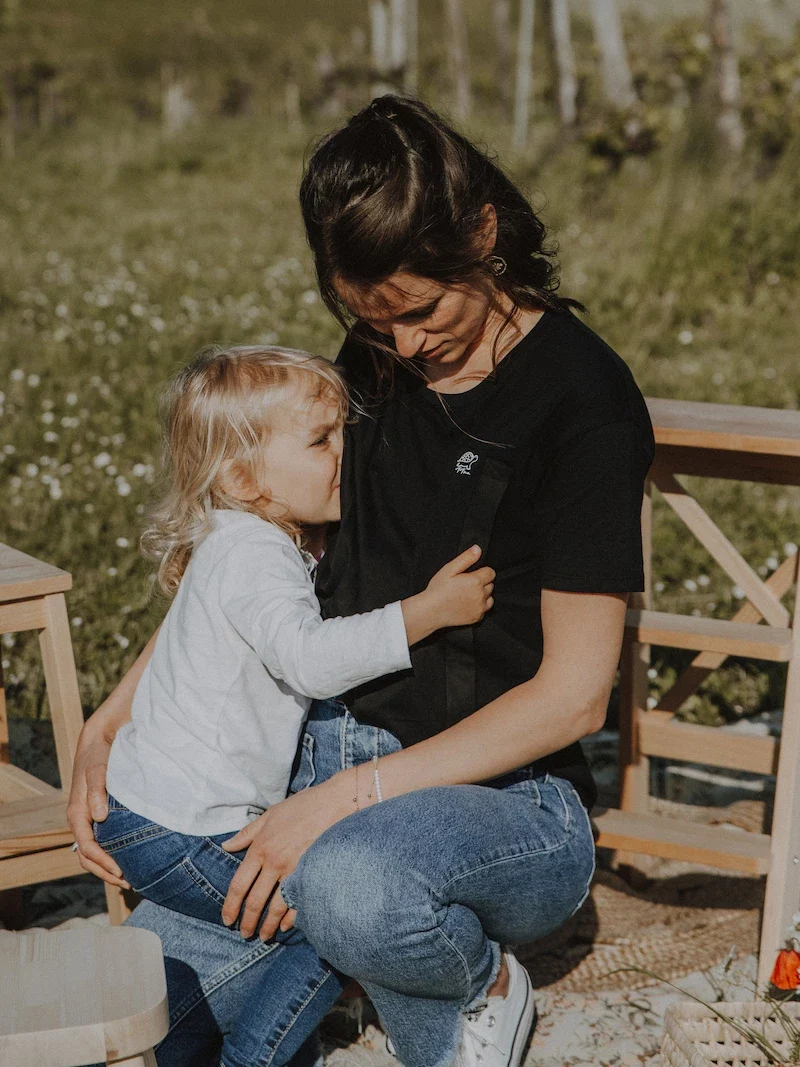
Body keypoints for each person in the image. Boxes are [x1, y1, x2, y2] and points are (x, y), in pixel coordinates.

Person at [68, 95, 655, 1067]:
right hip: (316, 758)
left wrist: (336, 803)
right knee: (163, 1017)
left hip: (499, 795)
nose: (404, 347)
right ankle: (341, 955)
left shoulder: (582, 402)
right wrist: (115, 715)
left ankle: (475, 985)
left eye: (421, 311)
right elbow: (255, 551)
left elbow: (570, 695)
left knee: (346, 882)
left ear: (482, 232)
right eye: (369, 322)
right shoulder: (378, 357)